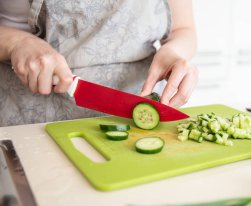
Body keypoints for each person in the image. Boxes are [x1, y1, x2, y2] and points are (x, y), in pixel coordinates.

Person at [0, 0, 198, 126]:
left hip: (134, 108)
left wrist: (172, 52)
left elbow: (183, 29)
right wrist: (19, 43)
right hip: (30, 117)